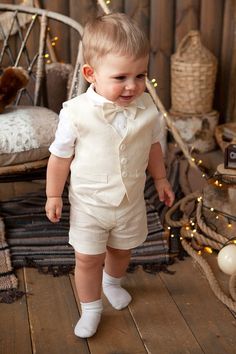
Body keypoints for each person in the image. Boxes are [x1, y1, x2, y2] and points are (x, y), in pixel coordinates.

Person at [45, 12, 175, 339]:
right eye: (121, 78)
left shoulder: (148, 110)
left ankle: (112, 282)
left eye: (140, 75)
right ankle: (91, 307)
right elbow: (60, 157)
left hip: (130, 201)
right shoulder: (75, 112)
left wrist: (159, 179)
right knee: (88, 258)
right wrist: (53, 194)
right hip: (90, 203)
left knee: (121, 250)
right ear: (91, 74)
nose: (133, 86)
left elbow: (154, 147)